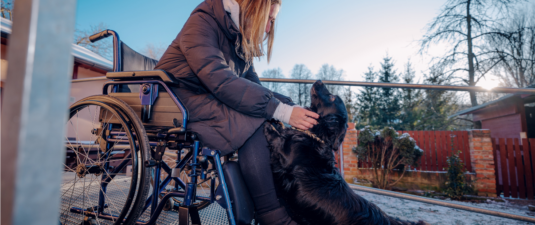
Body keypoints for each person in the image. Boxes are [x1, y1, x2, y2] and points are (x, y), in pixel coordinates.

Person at [155, 0, 319, 224]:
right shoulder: (203, 20)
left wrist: (290, 107)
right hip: (176, 101)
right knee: (255, 121)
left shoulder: (239, 39)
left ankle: (272, 206)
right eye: (268, 19)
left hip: (206, 98)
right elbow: (219, 79)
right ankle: (272, 214)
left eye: (272, 21)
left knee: (265, 115)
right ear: (253, 9)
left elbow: (256, 89)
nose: (269, 28)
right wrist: (280, 111)